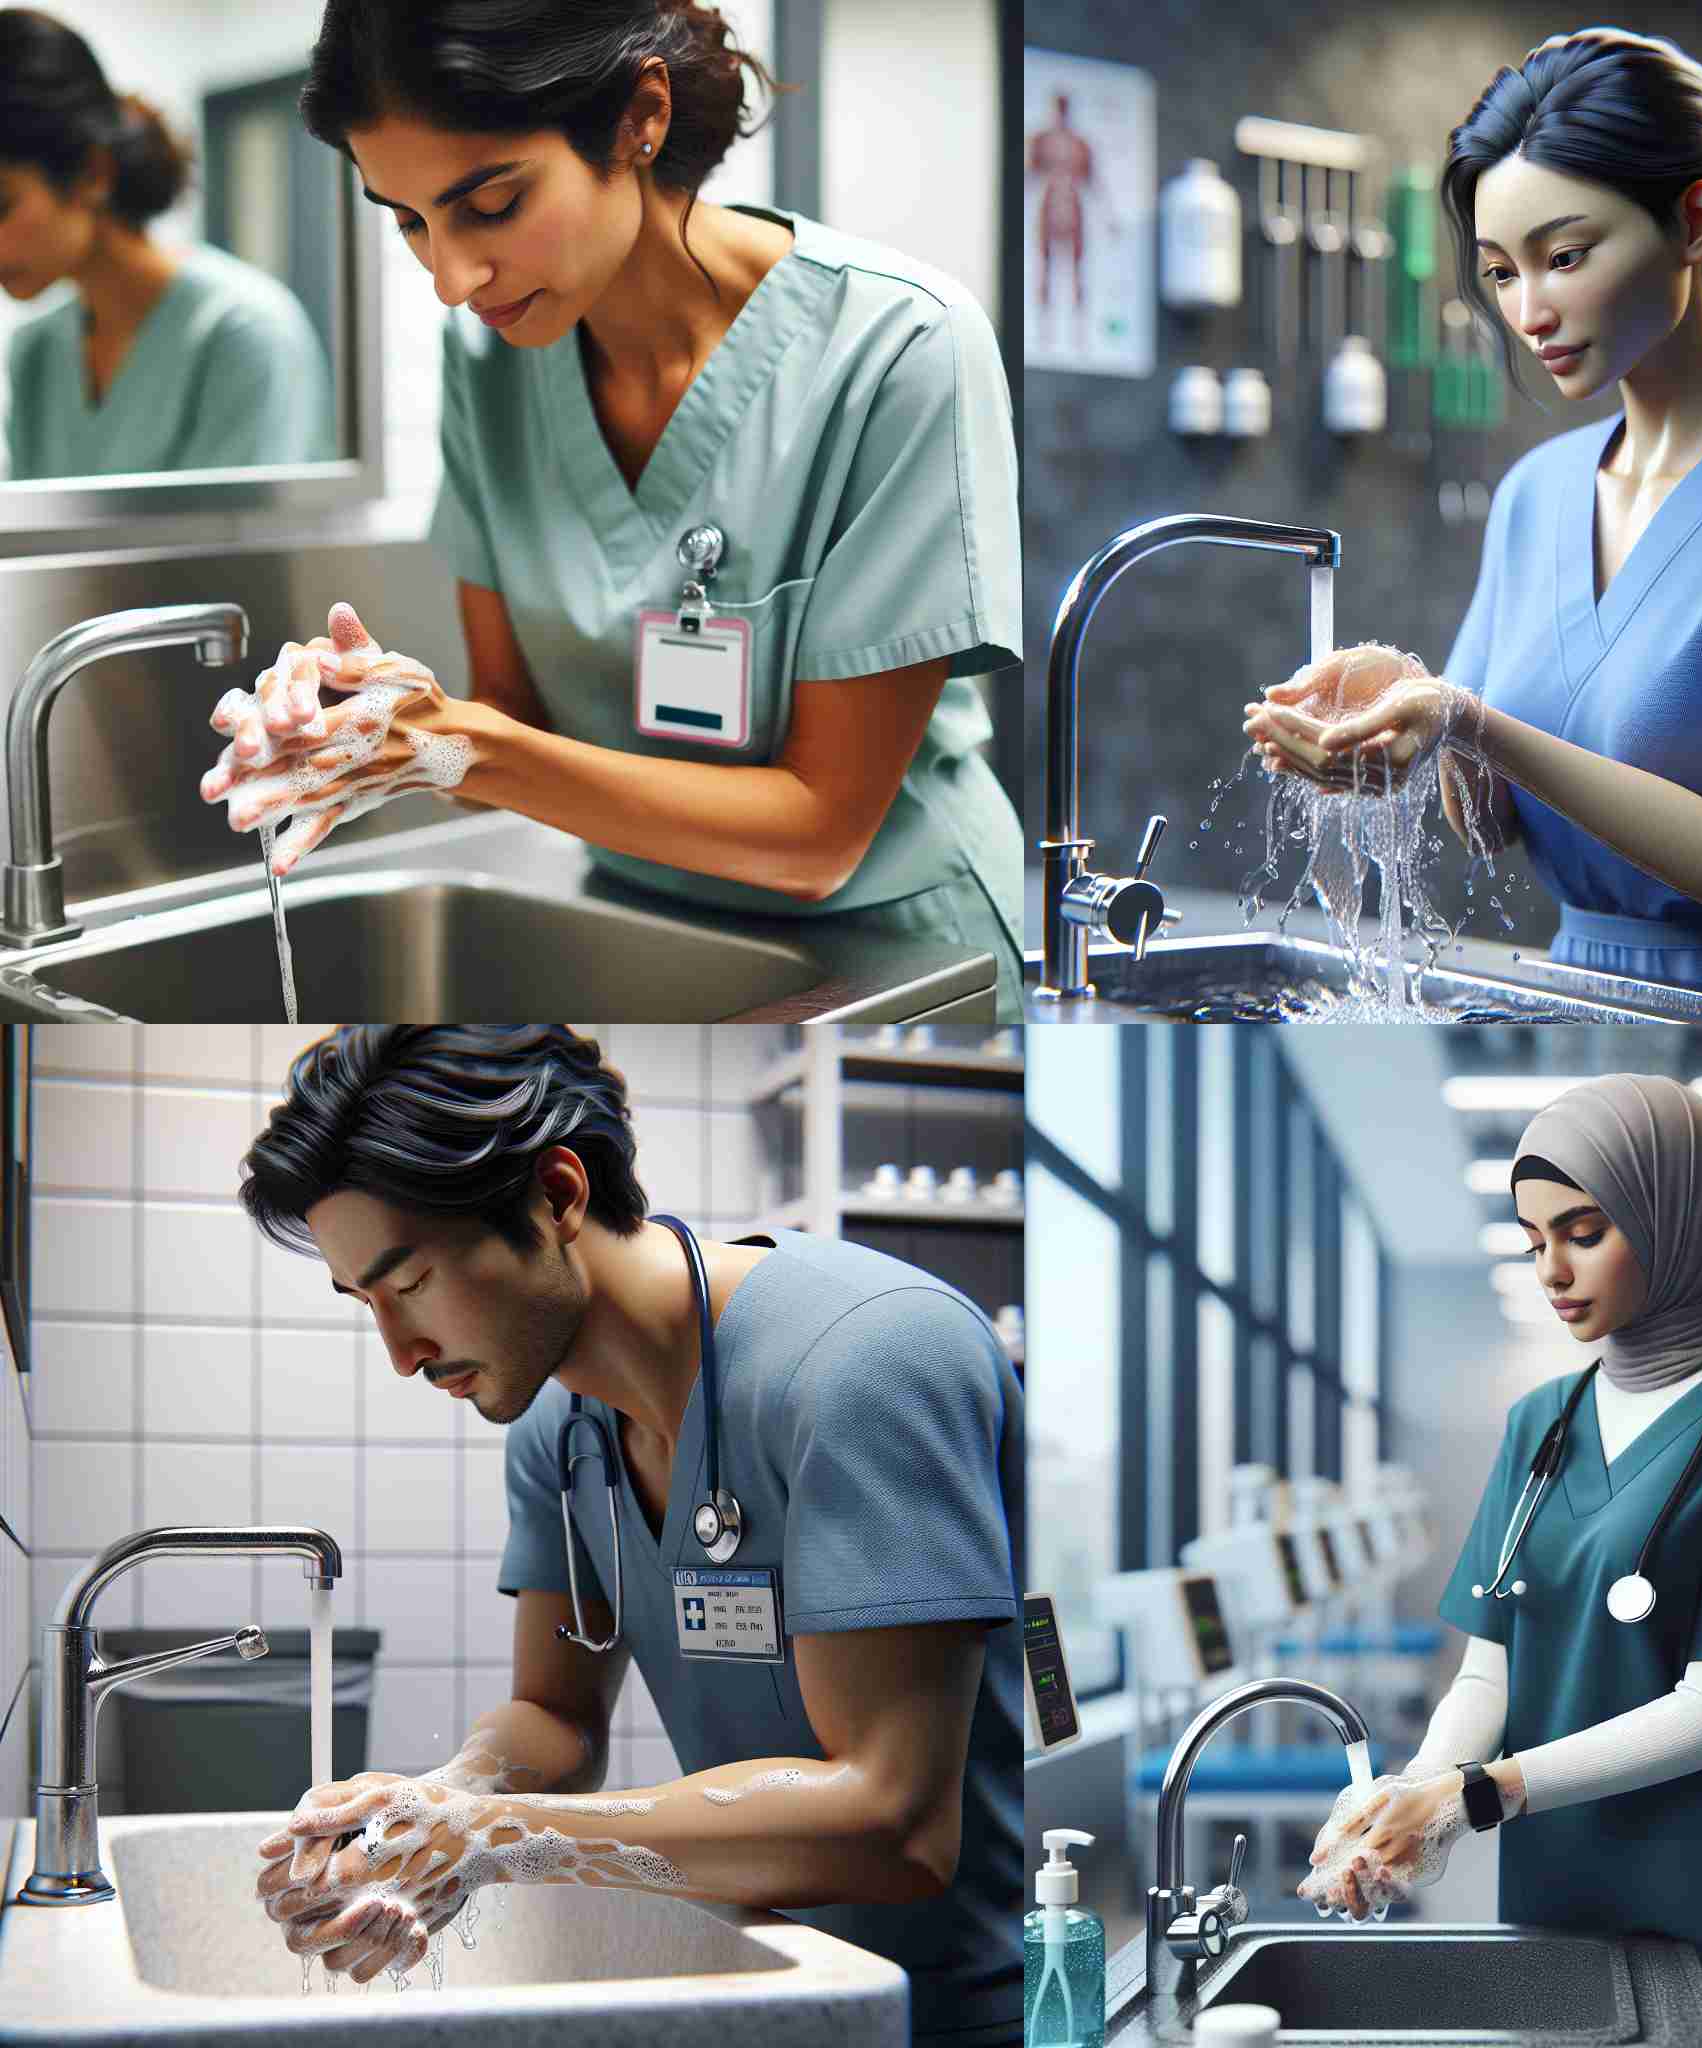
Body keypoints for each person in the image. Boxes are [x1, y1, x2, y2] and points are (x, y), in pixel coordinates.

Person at [196, 0, 1027, 1020]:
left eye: (490, 203)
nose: (452, 280)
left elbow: (818, 838)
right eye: (409, 220)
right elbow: (502, 724)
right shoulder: (488, 364)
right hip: (634, 922)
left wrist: (456, 742)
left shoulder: (898, 352)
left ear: (639, 117)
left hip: (894, 952)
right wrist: (384, 726)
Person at [242, 1026, 1023, 2046]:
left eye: (412, 1281)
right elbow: (552, 1715)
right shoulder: (554, 1431)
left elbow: (896, 1821)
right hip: (773, 1974)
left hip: (968, 2012)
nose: (400, 1352)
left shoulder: (868, 1359)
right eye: (367, 1303)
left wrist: (496, 1837)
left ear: (558, 1193)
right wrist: (435, 1807)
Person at [1246, 28, 1702, 1012]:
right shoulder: (1535, 491)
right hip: (1574, 1005)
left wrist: (1465, 719)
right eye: (1500, 271)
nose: (1526, 310)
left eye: (1562, 255)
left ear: (1690, 221)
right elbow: (1487, 826)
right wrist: (1403, 716)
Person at [1301, 1073, 1702, 2047]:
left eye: (1582, 1231)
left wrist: (1478, 1793)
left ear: (1677, 1221)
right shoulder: (1536, 1422)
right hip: (1555, 1876)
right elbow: (1487, 1665)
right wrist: (1409, 1790)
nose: (1550, 1268)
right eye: (1532, 1239)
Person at [0, 8, 334, 478]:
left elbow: (236, 547)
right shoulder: (34, 354)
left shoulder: (242, 334)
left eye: (2, 205)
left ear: (92, 175)